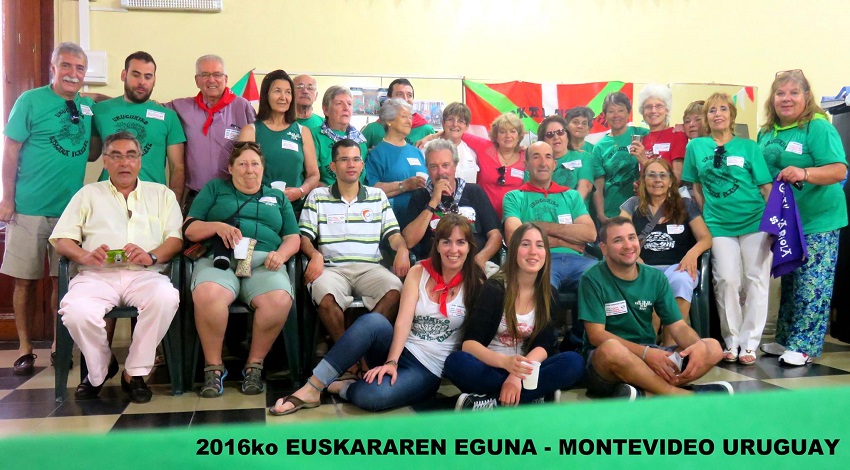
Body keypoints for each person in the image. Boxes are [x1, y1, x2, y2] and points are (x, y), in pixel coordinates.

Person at [269, 215, 485, 415]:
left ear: (469, 247)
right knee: (372, 322)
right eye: (446, 241)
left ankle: (347, 387)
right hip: (401, 348)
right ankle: (313, 387)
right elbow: (403, 321)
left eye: (460, 242)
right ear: (436, 245)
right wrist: (392, 362)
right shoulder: (419, 271)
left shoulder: (477, 283)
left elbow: (481, 334)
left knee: (371, 397)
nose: (453, 249)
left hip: (429, 368)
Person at [50, 132, 182, 403]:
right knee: (75, 311)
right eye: (116, 156)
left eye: (131, 156)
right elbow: (62, 239)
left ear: (140, 161)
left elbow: (175, 239)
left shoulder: (162, 194)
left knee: (166, 298)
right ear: (105, 162)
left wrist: (152, 256)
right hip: (96, 276)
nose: (125, 162)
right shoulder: (88, 194)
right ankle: (101, 369)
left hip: (144, 274)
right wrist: (85, 256)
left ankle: (134, 373)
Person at [1, 42, 94, 375]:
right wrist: (7, 198)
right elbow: (10, 151)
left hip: (69, 214)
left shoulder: (86, 107)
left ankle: (59, 346)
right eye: (66, 66)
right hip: (27, 208)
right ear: (53, 68)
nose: (72, 73)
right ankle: (25, 348)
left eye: (79, 68)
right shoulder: (30, 101)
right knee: (24, 281)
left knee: (63, 282)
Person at [185, 141, 300, 397]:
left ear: (263, 168)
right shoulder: (215, 188)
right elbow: (190, 229)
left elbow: (293, 237)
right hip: (221, 259)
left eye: (255, 163)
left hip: (263, 262)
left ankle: (254, 366)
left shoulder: (278, 197)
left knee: (279, 299)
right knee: (208, 294)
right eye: (243, 163)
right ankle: (213, 368)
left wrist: (281, 255)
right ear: (230, 168)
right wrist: (217, 226)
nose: (250, 169)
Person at [579, 217, 730, 398]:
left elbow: (678, 326)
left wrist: (696, 346)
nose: (628, 245)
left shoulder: (655, 277)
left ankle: (644, 392)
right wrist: (645, 354)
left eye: (632, 238)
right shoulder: (592, 278)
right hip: (609, 361)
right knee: (612, 349)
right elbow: (597, 336)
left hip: (651, 354)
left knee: (712, 347)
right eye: (618, 240)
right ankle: (676, 393)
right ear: (604, 248)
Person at [757, 69, 849, 366]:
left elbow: (839, 170)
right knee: (791, 277)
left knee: (813, 281)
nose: (786, 99)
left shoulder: (817, 128)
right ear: (772, 99)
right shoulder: (766, 132)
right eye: (780, 93)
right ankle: (786, 337)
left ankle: (805, 344)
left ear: (806, 97)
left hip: (819, 219)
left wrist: (805, 173)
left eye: (794, 93)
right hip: (787, 220)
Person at [444, 223, 584, 409]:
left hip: (526, 371)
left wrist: (516, 376)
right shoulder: (494, 289)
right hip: (491, 365)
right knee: (456, 363)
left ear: (546, 253)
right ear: (514, 251)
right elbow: (470, 344)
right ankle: (533, 396)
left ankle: (492, 402)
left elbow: (543, 345)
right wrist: (507, 364)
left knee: (574, 362)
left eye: (539, 245)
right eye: (525, 244)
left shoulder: (549, 293)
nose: (533, 251)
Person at [682, 93, 773, 365]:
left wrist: (773, 224)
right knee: (726, 280)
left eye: (723, 109)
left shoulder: (749, 147)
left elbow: (766, 187)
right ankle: (731, 340)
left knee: (756, 280)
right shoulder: (696, 147)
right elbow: (693, 186)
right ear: (706, 118)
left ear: (732, 116)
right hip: (718, 225)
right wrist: (705, 212)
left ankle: (749, 344)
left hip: (754, 221)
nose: (718, 114)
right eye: (712, 111)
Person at [300, 139, 409, 343]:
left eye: (356, 159)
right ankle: (352, 361)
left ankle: (358, 352)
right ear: (333, 167)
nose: (351, 164)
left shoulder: (378, 196)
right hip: (333, 269)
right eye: (344, 159)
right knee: (324, 295)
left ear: (362, 165)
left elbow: (394, 235)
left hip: (370, 268)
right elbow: (304, 237)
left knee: (396, 290)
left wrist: (402, 250)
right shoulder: (318, 196)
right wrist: (314, 254)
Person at [619, 159, 712, 345]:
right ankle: (648, 347)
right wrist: (635, 258)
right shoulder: (632, 205)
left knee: (681, 280)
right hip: (643, 267)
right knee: (649, 283)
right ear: (644, 181)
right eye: (651, 175)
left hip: (678, 266)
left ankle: (671, 348)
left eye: (663, 175)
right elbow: (618, 235)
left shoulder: (685, 205)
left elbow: (706, 238)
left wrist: (692, 254)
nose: (657, 180)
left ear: (671, 181)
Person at [503, 141, 598, 293]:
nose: (542, 163)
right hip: (540, 260)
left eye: (548, 157)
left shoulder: (571, 196)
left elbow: (590, 234)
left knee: (599, 281)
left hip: (579, 261)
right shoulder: (514, 197)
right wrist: (565, 241)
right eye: (536, 157)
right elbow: (513, 238)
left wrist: (541, 226)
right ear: (526, 165)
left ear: (554, 164)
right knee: (542, 289)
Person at [165, 54, 256, 212]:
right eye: (205, 75)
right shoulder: (181, 107)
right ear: (197, 80)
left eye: (217, 74)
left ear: (225, 79)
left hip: (234, 196)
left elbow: (258, 148)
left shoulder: (242, 106)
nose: (211, 80)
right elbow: (150, 108)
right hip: (196, 197)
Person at [91, 51, 186, 202]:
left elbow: (178, 167)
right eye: (136, 75)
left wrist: (175, 205)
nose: (142, 81)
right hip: (107, 198)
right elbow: (91, 154)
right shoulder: (100, 110)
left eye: (148, 76)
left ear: (154, 80)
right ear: (124, 75)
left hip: (152, 200)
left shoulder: (168, 117)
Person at [401, 139, 502, 271]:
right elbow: (409, 241)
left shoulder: (474, 192)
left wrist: (481, 258)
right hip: (434, 266)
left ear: (455, 165)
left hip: (474, 263)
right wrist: (433, 202)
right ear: (427, 168)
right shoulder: (420, 196)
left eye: (445, 165)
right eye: (434, 166)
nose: (440, 172)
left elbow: (495, 235)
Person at [238, 69, 319, 214]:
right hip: (259, 209)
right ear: (266, 95)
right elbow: (240, 173)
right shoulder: (251, 131)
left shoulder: (303, 132)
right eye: (277, 91)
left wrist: (300, 191)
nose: (283, 97)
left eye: (288, 92)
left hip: (295, 211)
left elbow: (314, 174)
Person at [592, 92, 650, 223]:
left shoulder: (642, 134)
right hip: (612, 211)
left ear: (628, 113)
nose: (616, 115)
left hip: (642, 209)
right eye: (611, 111)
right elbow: (598, 186)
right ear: (605, 115)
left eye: (621, 110)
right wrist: (601, 215)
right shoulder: (599, 147)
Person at [364, 98, 428, 216]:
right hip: (393, 220)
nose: (409, 121)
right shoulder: (378, 153)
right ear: (389, 120)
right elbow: (372, 190)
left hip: (421, 220)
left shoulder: (417, 152)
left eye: (410, 117)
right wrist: (404, 185)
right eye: (404, 116)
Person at [462, 113, 527, 219]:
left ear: (519, 136)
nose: (508, 135)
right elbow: (457, 133)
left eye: (513, 131)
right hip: (482, 216)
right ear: (496, 136)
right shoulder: (485, 147)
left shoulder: (526, 156)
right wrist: (434, 135)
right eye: (502, 131)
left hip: (514, 216)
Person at [311, 86, 368, 185]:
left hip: (358, 197)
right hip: (326, 196)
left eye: (349, 104)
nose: (346, 108)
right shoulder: (314, 135)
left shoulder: (360, 139)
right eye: (339, 104)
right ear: (326, 110)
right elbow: (310, 177)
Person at [361, 78, 435, 148]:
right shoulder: (372, 129)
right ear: (388, 98)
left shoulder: (426, 130)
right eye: (399, 94)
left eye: (409, 95)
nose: (405, 99)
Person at [637, 84, 688, 182]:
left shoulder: (677, 135)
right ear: (642, 112)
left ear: (667, 110)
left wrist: (645, 161)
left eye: (659, 106)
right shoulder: (643, 139)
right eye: (648, 107)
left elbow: (677, 178)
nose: (653, 111)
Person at [538, 114, 593, 200]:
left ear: (567, 135)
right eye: (550, 134)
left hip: (575, 210)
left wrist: (570, 210)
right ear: (543, 139)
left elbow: (585, 186)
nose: (556, 137)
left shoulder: (583, 157)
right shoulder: (537, 162)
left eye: (560, 132)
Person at [440, 103, 479, 183]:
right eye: (450, 119)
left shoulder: (472, 153)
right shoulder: (428, 149)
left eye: (461, 121)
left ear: (467, 126)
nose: (455, 124)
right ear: (443, 123)